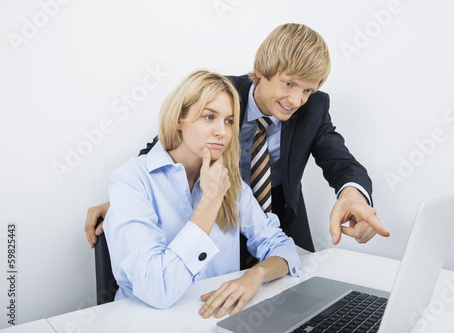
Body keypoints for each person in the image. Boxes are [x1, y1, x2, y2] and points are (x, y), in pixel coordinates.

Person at [86, 23, 389, 262]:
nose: (296, 100)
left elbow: (341, 161)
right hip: (217, 231)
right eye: (288, 84)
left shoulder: (315, 107)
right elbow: (166, 145)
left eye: (307, 90)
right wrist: (130, 199)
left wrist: (353, 197)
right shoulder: (220, 96)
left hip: (277, 235)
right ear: (260, 72)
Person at [103, 70, 300, 316]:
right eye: (209, 117)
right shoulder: (131, 180)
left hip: (214, 317)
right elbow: (158, 290)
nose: (223, 132)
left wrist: (256, 275)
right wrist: (210, 200)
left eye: (229, 121)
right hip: (148, 322)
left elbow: (281, 246)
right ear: (178, 120)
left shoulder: (229, 181)